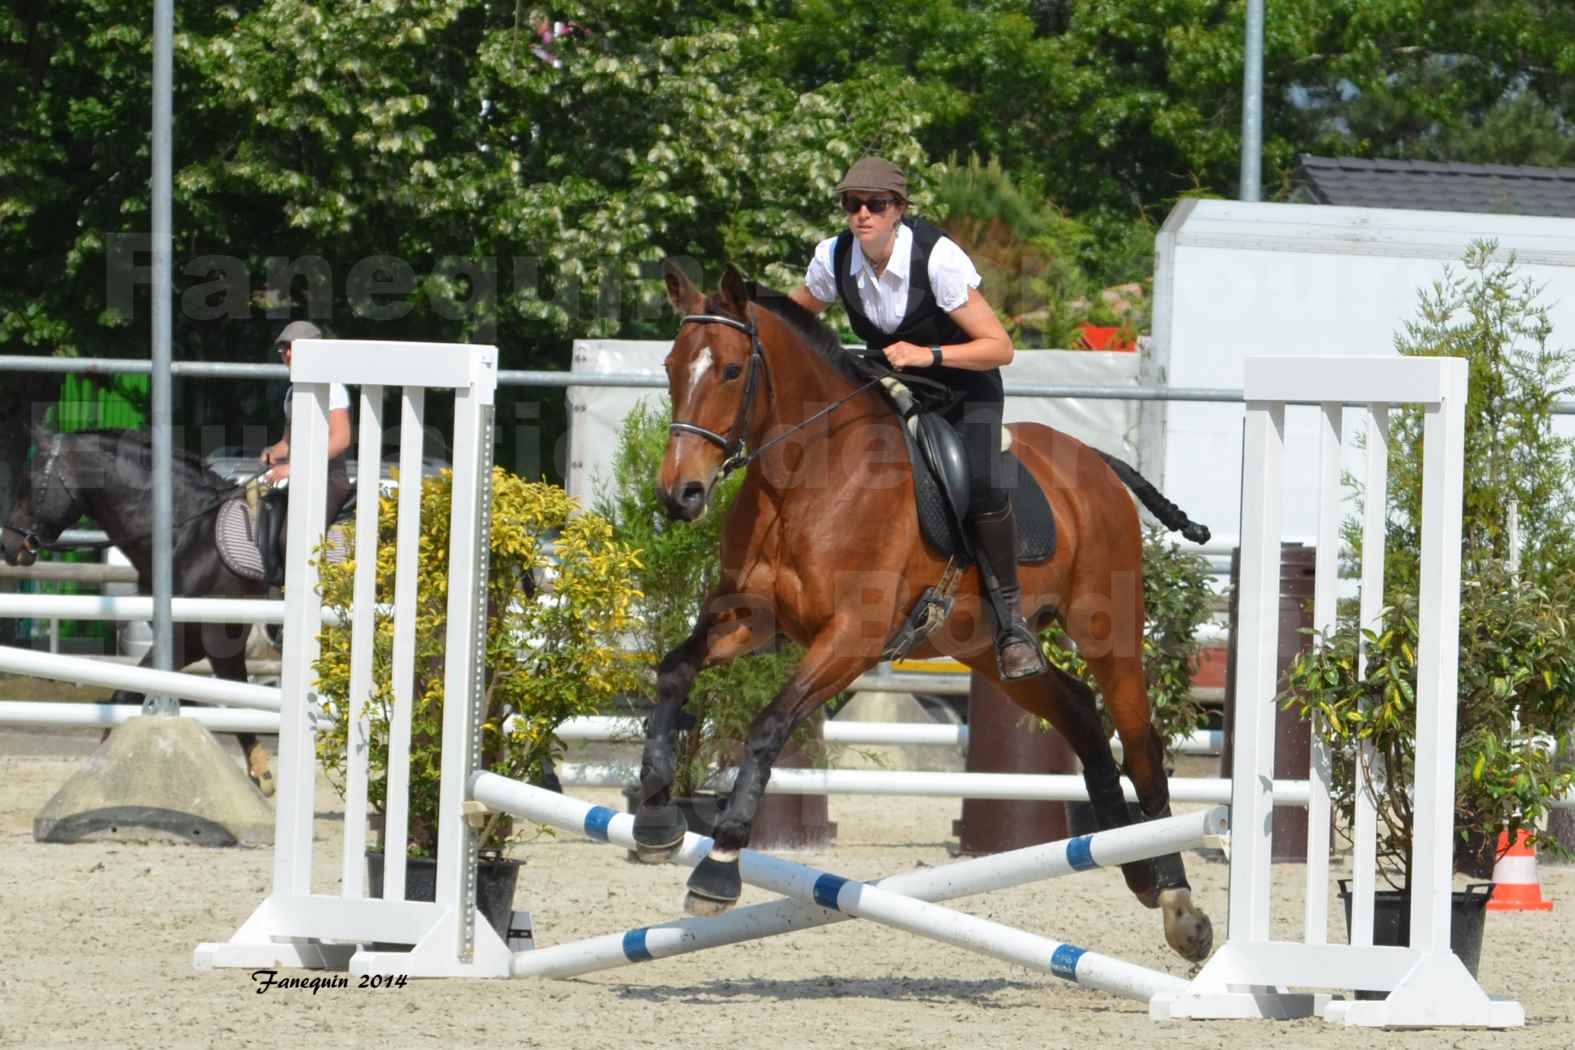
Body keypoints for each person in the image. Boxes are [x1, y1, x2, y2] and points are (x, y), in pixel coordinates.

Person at [787, 155, 1048, 680]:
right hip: (894, 382)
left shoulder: (938, 259)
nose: (863, 215)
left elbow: (999, 348)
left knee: (980, 478)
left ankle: (1013, 621)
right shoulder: (834, 257)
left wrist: (927, 356)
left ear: (899, 210)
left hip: (963, 386)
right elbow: (789, 317)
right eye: (852, 204)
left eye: (876, 205)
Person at [258, 321, 353, 582]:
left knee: (294, 540)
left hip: (328, 480)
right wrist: (271, 453)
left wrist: (294, 467)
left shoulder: (332, 387)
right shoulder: (291, 393)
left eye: (292, 348)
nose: (286, 355)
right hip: (301, 477)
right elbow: (287, 443)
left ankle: (316, 601)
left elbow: (341, 439)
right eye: (283, 350)